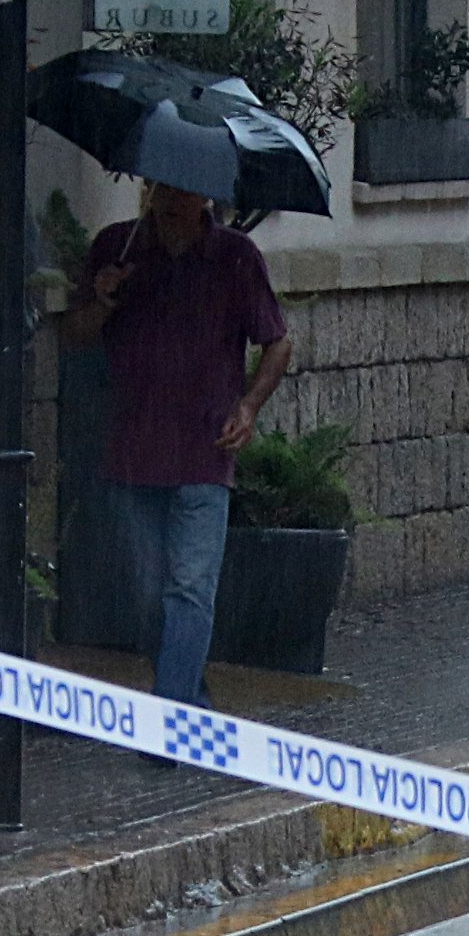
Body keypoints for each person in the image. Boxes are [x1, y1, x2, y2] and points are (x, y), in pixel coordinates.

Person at [62, 179, 292, 711]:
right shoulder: (117, 248)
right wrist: (102, 301)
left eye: (183, 191)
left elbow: (277, 341)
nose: (168, 200)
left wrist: (249, 405)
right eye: (159, 188)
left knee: (189, 589)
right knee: (147, 597)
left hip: (205, 451)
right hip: (132, 449)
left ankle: (167, 721)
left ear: (206, 197)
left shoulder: (236, 257)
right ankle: (189, 692)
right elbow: (73, 335)